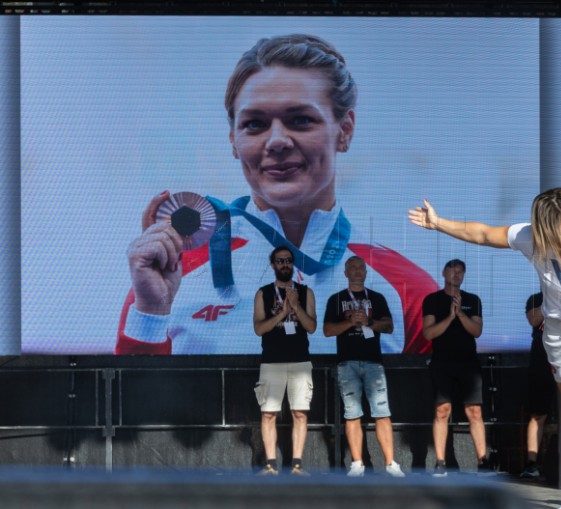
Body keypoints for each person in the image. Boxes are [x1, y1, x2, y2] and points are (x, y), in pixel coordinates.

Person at [116, 34, 437, 356]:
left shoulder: (408, 290)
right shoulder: (172, 277)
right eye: (255, 124)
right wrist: (151, 312)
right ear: (233, 140)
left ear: (345, 130)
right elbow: (132, 405)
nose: (277, 141)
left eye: (301, 120)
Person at [408, 188, 561, 509]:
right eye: (555, 233)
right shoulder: (529, 237)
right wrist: (439, 223)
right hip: (557, 327)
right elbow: (483, 233)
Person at [323, 256, 405, 478]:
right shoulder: (336, 299)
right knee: (352, 414)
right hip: (346, 362)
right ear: (345, 273)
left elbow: (388, 326)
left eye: (361, 267)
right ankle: (357, 463)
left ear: (366, 272)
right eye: (353, 267)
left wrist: (368, 322)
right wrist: (351, 322)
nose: (358, 271)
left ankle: (391, 464)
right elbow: (328, 331)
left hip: (373, 363)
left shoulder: (376, 298)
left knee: (382, 412)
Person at [422, 259, 491, 477]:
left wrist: (460, 313)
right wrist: (450, 316)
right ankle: (440, 461)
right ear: (444, 273)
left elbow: (477, 331)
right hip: (442, 361)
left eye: (461, 271)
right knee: (442, 410)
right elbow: (429, 333)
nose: (457, 275)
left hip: (468, 363)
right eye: (453, 270)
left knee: (475, 411)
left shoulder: (472, 300)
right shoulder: (432, 300)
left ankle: (483, 460)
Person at [253, 246, 316, 476]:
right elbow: (259, 329)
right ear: (272, 265)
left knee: (300, 413)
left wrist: (296, 306)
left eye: (288, 261)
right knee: (268, 413)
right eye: (280, 261)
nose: (284, 265)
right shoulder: (263, 293)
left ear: (293, 264)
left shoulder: (305, 292)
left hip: (300, 361)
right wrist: (282, 313)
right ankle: (271, 464)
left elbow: (311, 327)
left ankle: (297, 464)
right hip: (271, 361)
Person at [519, 292, 557, 482]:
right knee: (538, 413)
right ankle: (532, 462)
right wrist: (551, 298)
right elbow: (533, 320)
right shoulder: (536, 298)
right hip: (541, 357)